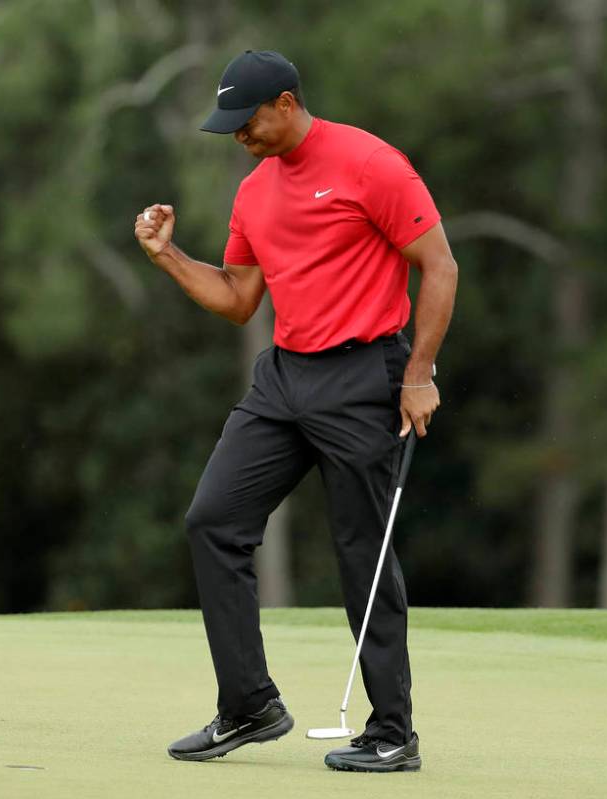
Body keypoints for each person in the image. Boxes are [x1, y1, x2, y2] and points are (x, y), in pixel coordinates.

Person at [133, 50, 457, 772]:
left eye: (247, 123)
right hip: (282, 379)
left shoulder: (371, 163)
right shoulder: (253, 193)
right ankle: (249, 704)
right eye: (231, 130)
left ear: (285, 102)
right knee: (213, 519)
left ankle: (393, 732)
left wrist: (418, 372)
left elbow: (440, 265)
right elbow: (239, 297)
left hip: (363, 375)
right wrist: (167, 256)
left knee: (360, 553)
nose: (240, 138)